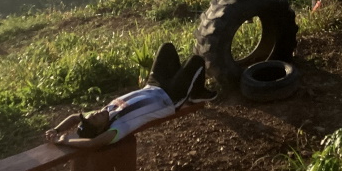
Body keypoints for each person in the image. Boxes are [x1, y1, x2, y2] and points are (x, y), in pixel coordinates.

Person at [45, 43, 215, 148]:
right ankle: (194, 93)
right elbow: (92, 143)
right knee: (196, 60)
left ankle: (182, 80)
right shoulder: (119, 127)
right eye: (95, 119)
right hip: (170, 98)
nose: (95, 113)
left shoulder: (104, 112)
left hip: (153, 85)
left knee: (167, 48)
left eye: (92, 116)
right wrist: (65, 141)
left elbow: (76, 117)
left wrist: (56, 129)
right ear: (101, 129)